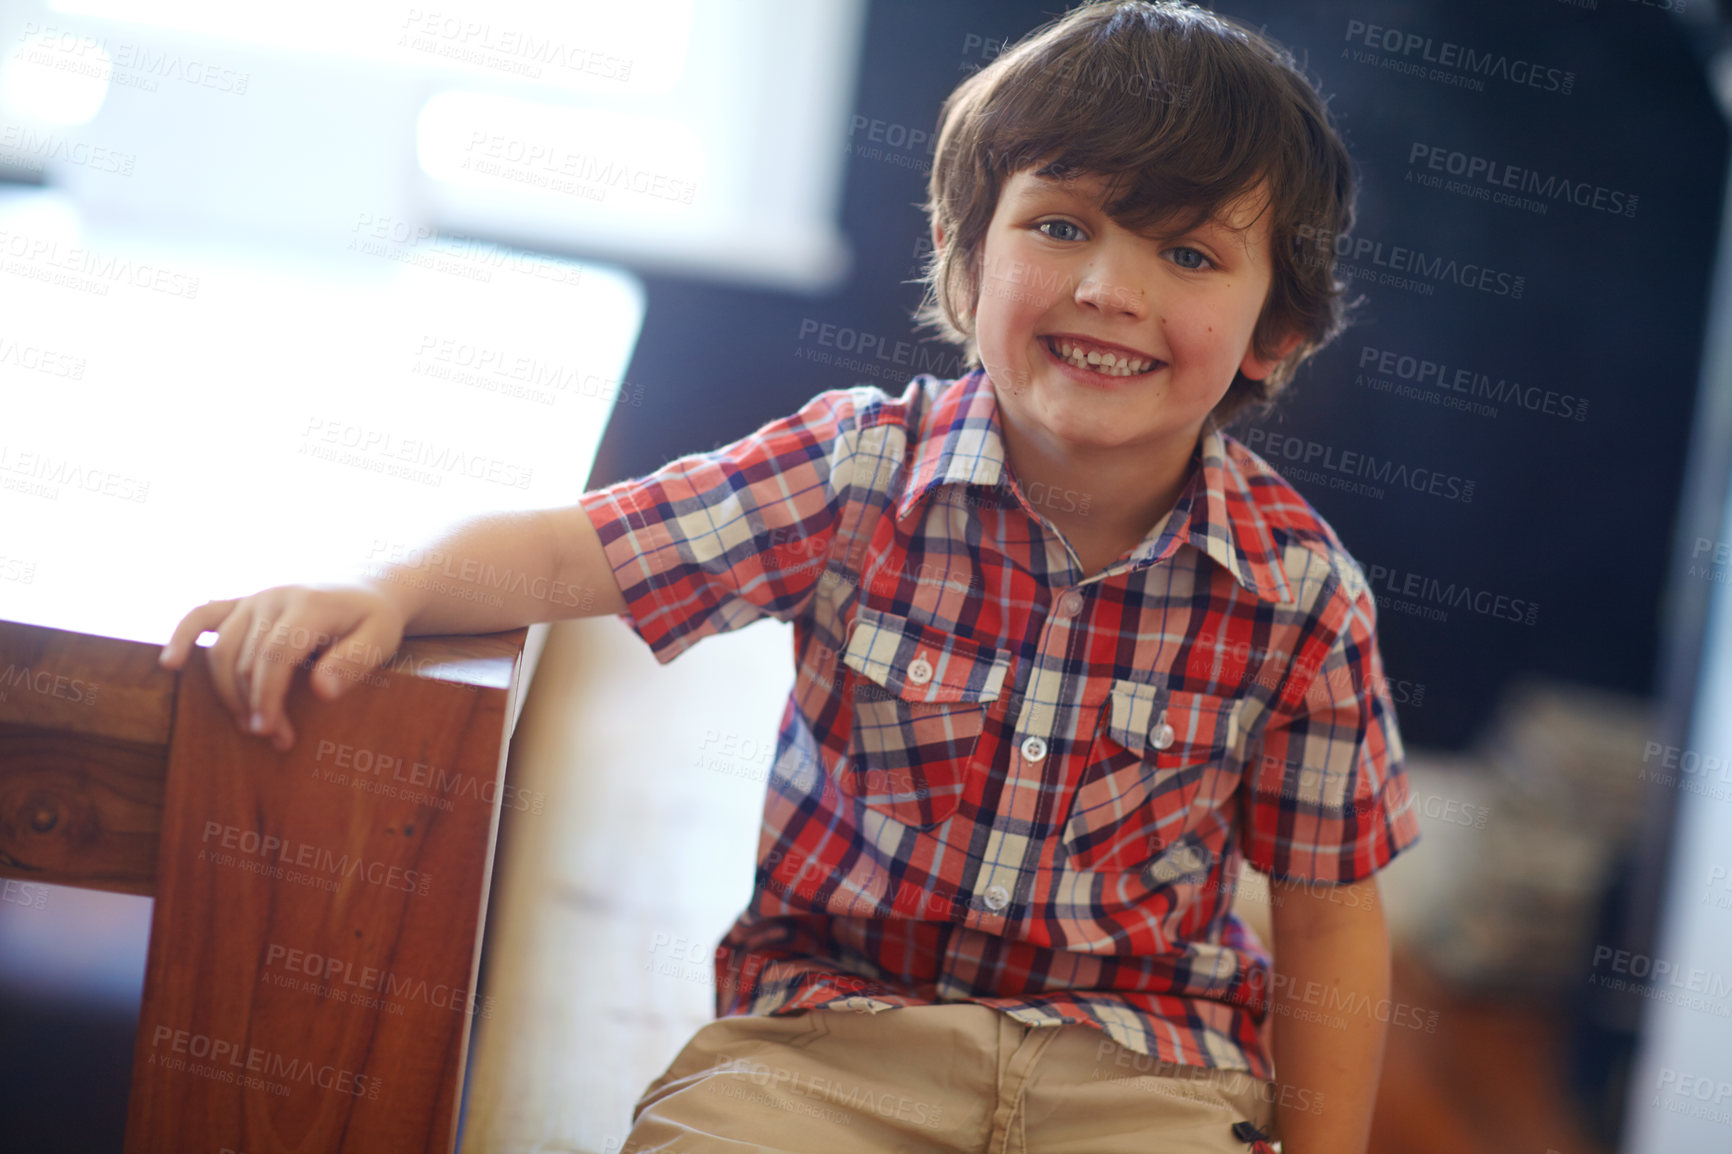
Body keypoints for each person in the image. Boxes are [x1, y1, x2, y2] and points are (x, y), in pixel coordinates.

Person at [160, 2, 1421, 1150]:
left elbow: (1327, 921)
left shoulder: (1299, 596)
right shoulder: (855, 471)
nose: (1109, 287)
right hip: (830, 1040)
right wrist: (384, 587)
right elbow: (574, 547)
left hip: (1142, 1073)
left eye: (1188, 255)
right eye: (1060, 224)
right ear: (960, 253)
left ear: (1277, 332)